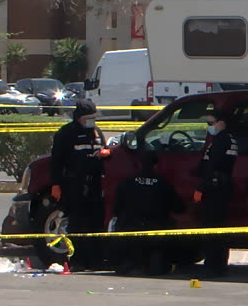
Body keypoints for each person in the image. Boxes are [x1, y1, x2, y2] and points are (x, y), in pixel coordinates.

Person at [49, 99, 108, 265]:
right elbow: (56, 161)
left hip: (95, 184)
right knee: (77, 222)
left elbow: (102, 149)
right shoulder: (66, 133)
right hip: (74, 184)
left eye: (93, 117)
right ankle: (78, 260)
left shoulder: (96, 132)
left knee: (95, 221)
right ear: (79, 117)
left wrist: (105, 153)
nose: (91, 121)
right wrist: (56, 184)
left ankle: (96, 260)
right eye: (88, 118)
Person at [112, 149, 184, 276]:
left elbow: (116, 209)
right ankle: (156, 264)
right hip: (155, 231)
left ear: (139, 164)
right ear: (156, 165)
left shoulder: (127, 183)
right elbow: (179, 208)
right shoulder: (163, 184)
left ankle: (130, 264)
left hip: (130, 230)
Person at [195, 110, 238, 277]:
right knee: (218, 228)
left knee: (211, 228)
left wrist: (201, 188)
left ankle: (213, 265)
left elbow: (213, 166)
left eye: (211, 123)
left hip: (215, 190)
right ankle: (218, 264)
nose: (209, 127)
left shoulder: (222, 140)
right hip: (220, 188)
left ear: (221, 122)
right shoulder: (227, 139)